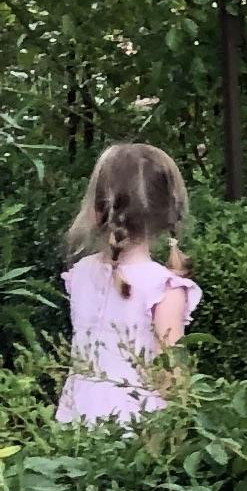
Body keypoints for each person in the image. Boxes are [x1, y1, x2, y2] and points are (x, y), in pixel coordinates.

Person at [57, 142, 199, 427]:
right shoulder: (165, 288)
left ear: (98, 210)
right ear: (167, 212)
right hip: (137, 428)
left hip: (75, 418)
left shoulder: (81, 273)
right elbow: (168, 378)